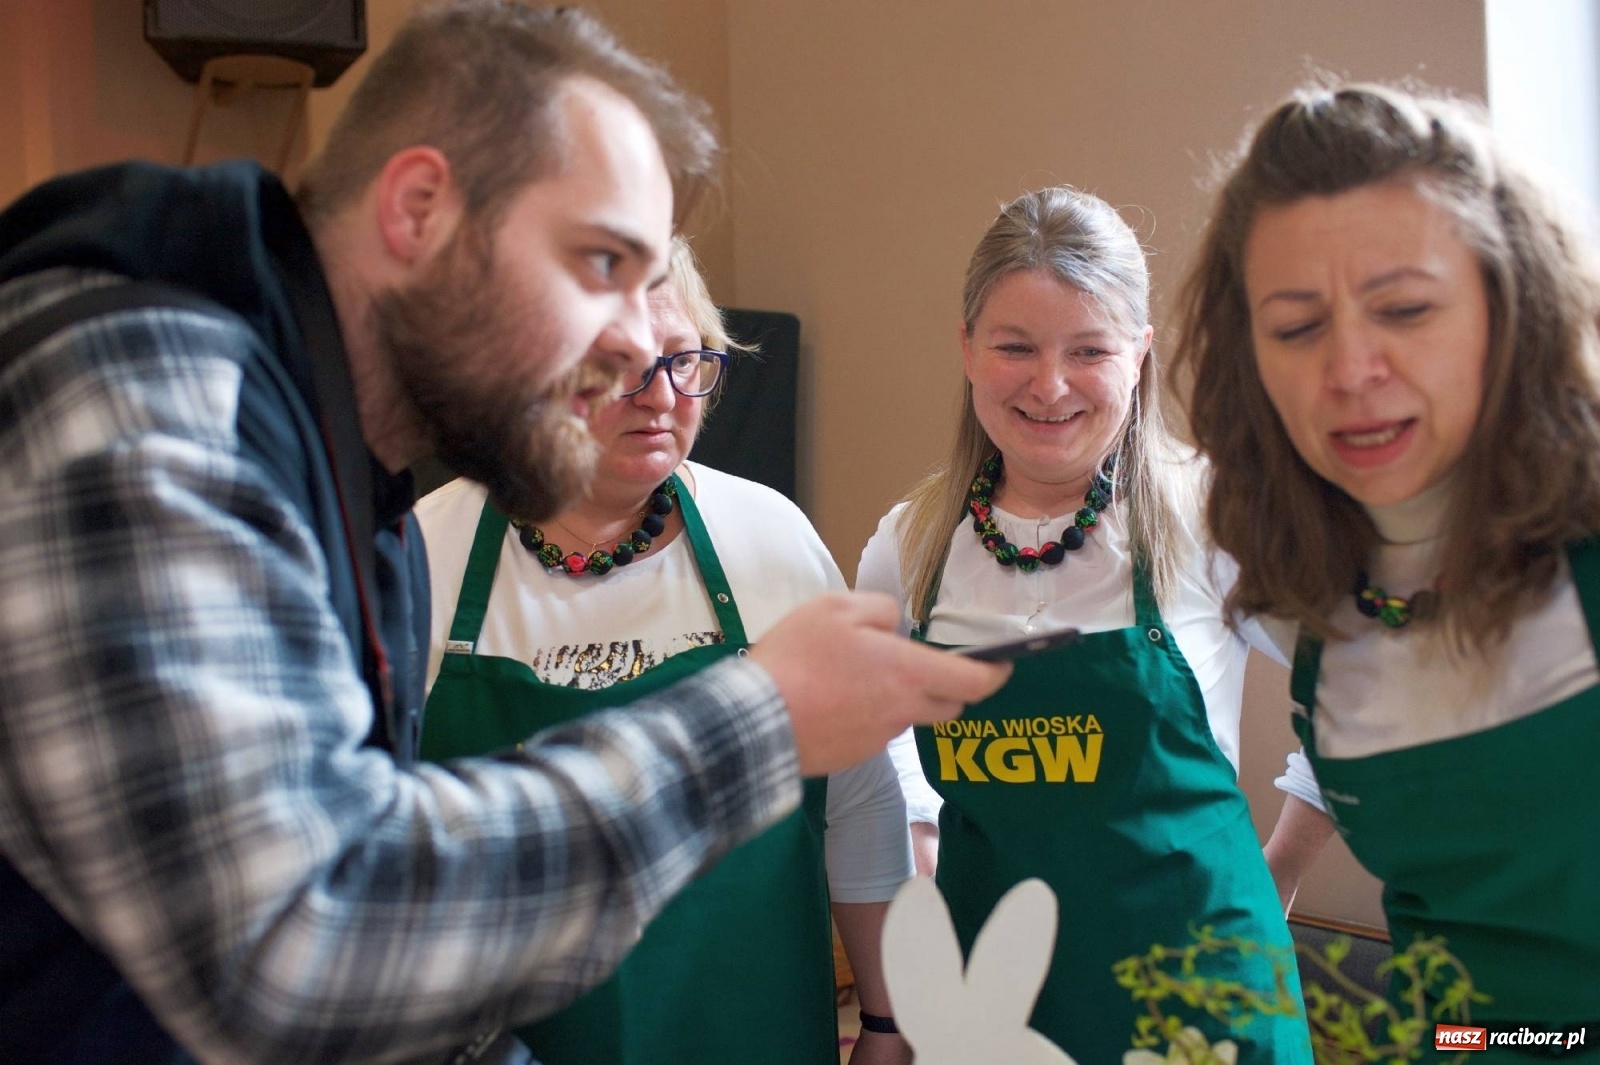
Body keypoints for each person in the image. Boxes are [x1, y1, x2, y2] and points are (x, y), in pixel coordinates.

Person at [0, 4, 1007, 1064]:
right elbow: (299, 944)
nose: (631, 348)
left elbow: (404, 983)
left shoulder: (362, 490)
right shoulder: (149, 400)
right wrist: (758, 721)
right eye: (597, 264)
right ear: (421, 208)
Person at [415, 236, 914, 1065]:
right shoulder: (425, 550)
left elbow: (858, 798)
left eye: (686, 362)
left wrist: (891, 1021)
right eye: (620, 368)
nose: (661, 397)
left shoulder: (772, 539)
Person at [1179, 81, 1600, 1046]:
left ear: (1514, 307)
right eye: (1296, 327)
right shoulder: (1297, 593)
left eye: (1404, 309)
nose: (1350, 369)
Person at [856, 186, 1313, 1063]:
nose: (1051, 385)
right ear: (966, 349)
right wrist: (918, 885)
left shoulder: (1216, 515)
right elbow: (867, 746)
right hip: (996, 1011)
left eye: (1090, 349)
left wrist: (1276, 872)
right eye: (1015, 347)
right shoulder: (912, 545)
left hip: (1202, 1004)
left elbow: (1360, 698)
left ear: (1139, 353)